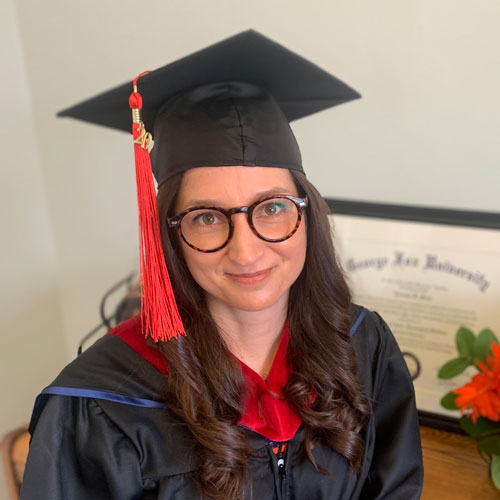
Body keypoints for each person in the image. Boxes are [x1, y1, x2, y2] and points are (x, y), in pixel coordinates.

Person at [20, 30, 423, 500]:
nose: (246, 251)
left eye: (272, 207)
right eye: (207, 217)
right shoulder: (97, 404)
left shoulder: (362, 345)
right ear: (169, 233)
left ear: (307, 214)